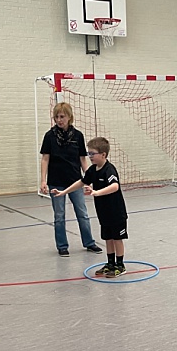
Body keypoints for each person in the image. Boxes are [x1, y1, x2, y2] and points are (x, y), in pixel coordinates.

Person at [51, 137, 129, 277]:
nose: (90, 156)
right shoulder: (93, 170)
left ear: (103, 154)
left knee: (117, 238)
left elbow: (115, 186)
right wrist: (63, 192)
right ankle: (110, 263)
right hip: (103, 212)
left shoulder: (109, 169)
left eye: (93, 153)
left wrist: (97, 192)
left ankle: (120, 265)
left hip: (116, 212)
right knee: (108, 238)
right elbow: (81, 182)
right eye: (89, 153)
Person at [39, 102, 102, 257]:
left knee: (82, 213)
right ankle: (62, 245)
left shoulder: (78, 136)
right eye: (56, 117)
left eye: (62, 116)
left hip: (75, 181)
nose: (59, 120)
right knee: (59, 215)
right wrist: (43, 180)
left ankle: (89, 242)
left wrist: (89, 179)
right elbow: (45, 159)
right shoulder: (49, 136)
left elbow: (82, 159)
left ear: (69, 117)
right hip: (56, 182)